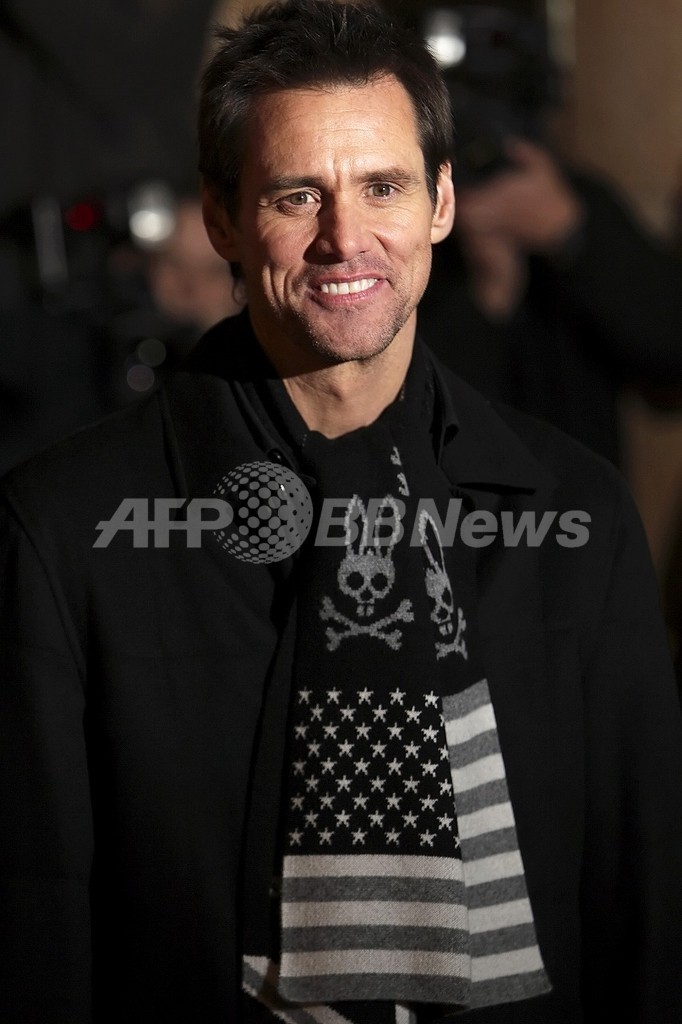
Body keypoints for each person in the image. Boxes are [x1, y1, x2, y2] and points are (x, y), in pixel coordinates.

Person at [0, 2, 680, 1022]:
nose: (345, 239)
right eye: (296, 195)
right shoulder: (64, 530)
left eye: (383, 187)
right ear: (221, 218)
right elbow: (34, 914)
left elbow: (645, 899)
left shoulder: (576, 515)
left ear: (441, 202)